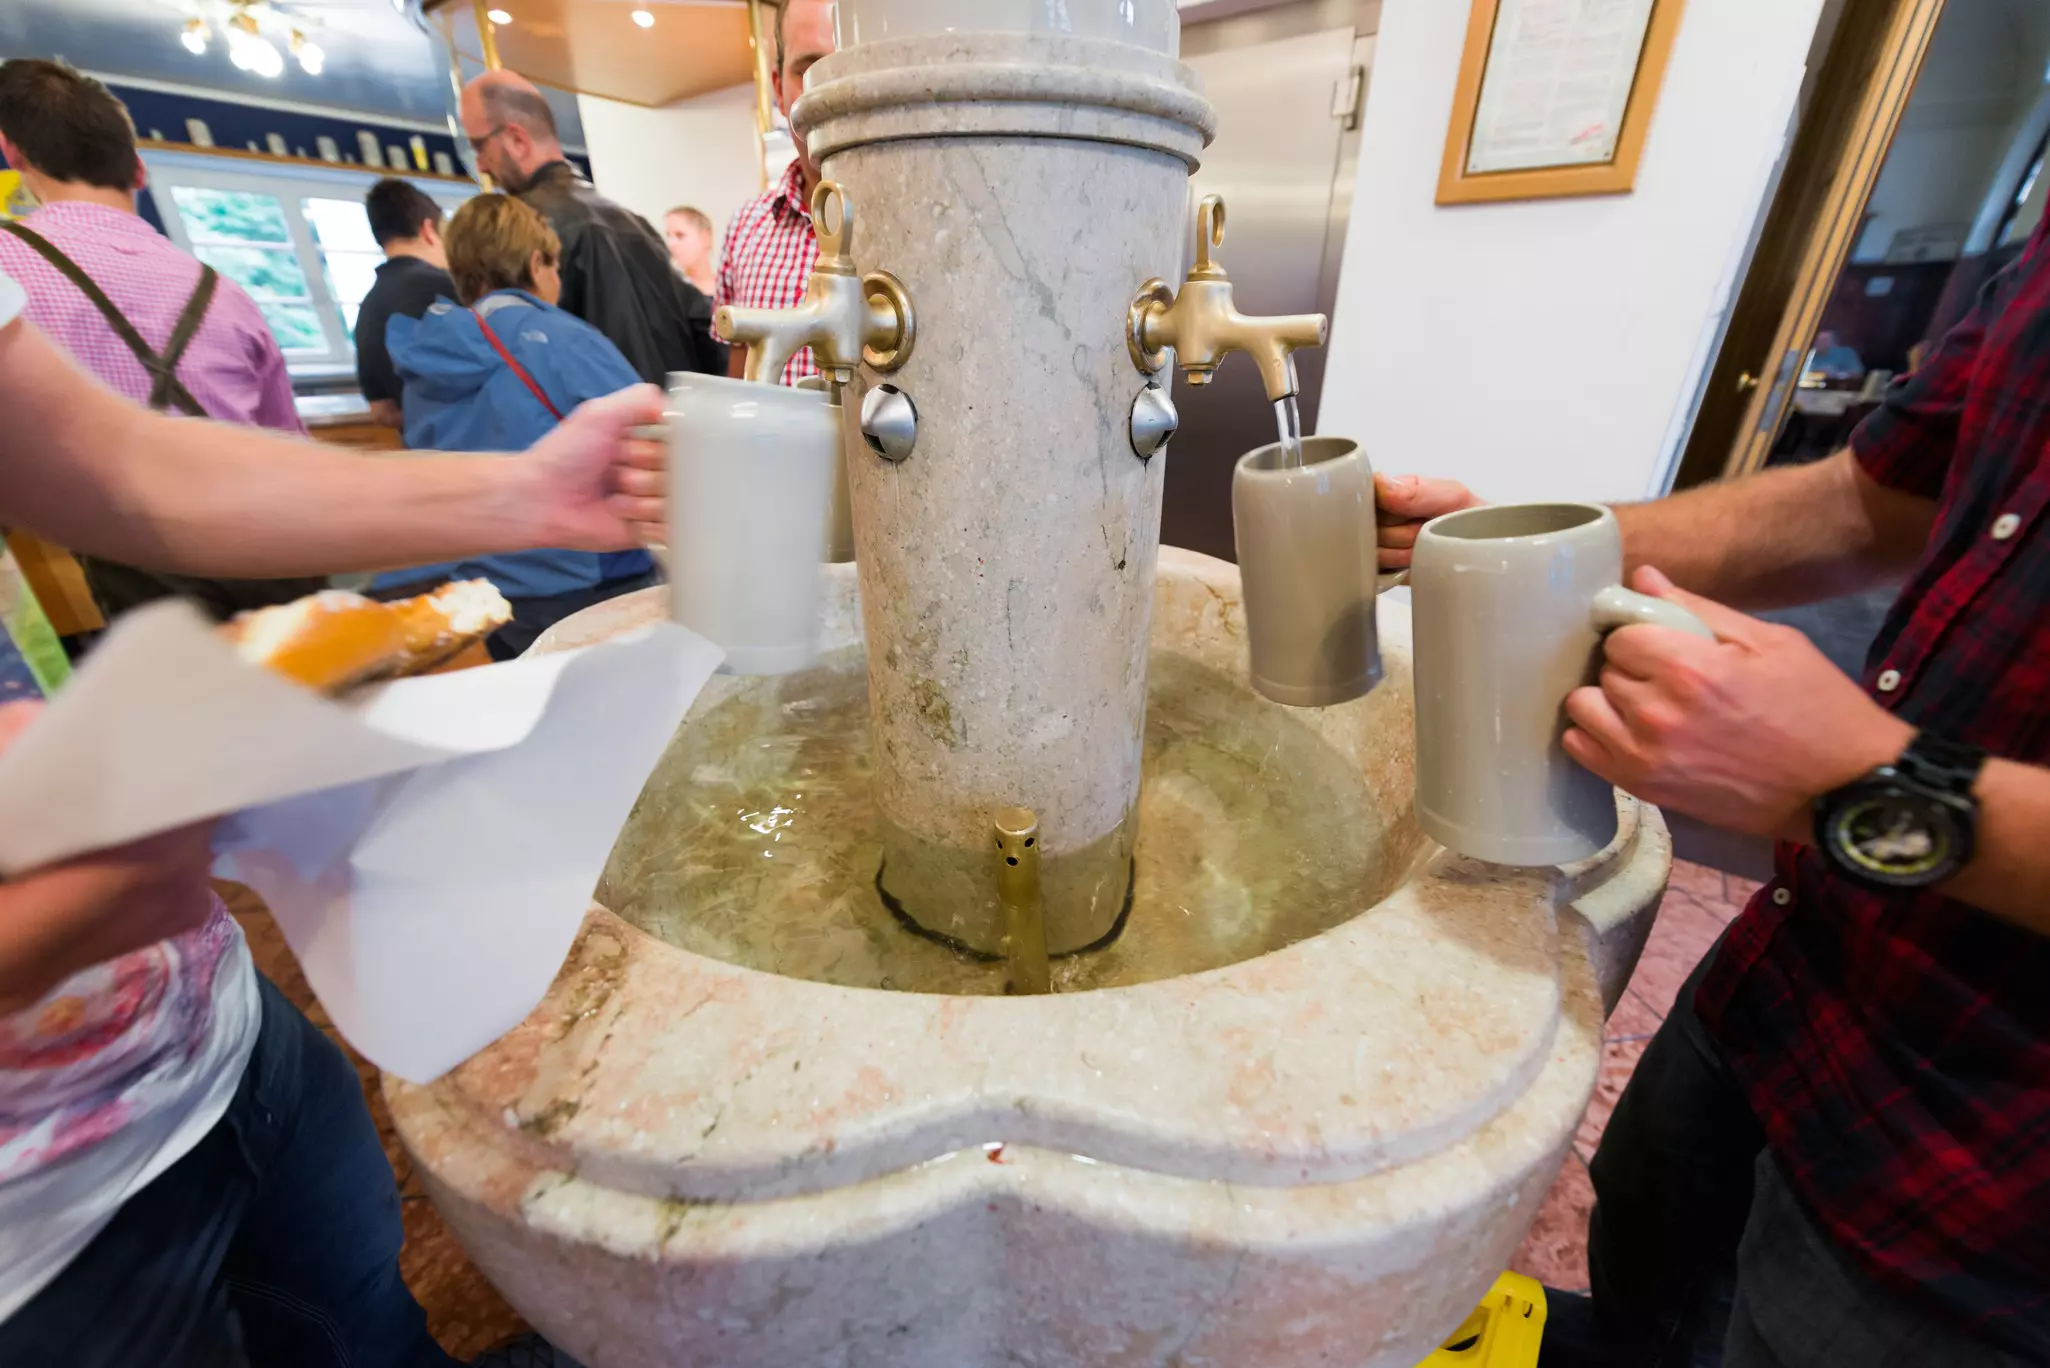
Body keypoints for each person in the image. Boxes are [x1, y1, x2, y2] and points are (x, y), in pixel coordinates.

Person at [1376, 215, 2050, 1366]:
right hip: (1792, 985)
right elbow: (1860, 502)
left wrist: (1859, 788)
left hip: (1981, 1181)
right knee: (1650, 1275)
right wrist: (1523, 552)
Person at [0, 257, 661, 1368]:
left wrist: (525, 493)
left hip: (205, 1026)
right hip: (44, 1242)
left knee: (367, 1319)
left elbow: (121, 463)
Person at [0, 58, 323, 622]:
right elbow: (292, 447)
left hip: (144, 561)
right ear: (140, 171)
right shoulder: (226, 292)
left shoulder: (10, 269)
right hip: (275, 540)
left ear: (14, 154)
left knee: (193, 707)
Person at [380, 194, 659, 658]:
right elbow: (651, 438)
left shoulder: (425, 356)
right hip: (591, 579)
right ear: (536, 262)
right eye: (555, 267)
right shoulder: (563, 340)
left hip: (488, 590)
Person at [456, 71, 722, 386]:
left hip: (598, 427)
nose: (481, 165)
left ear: (516, 139)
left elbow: (519, 366)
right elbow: (707, 334)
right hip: (672, 419)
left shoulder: (518, 233)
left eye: (479, 146)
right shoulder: (632, 221)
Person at [714, 0, 835, 384]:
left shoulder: (931, 227)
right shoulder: (746, 227)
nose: (834, 93)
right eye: (810, 70)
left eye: (851, 64)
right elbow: (740, 385)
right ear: (779, 89)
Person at [356, 177, 456, 430]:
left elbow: (382, 411)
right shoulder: (448, 289)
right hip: (483, 451)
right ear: (428, 230)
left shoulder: (369, 306)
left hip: (424, 456)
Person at [663, 204, 716, 298]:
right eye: (668, 236)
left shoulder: (728, 289)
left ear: (705, 237)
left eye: (680, 235)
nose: (671, 244)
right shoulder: (669, 289)